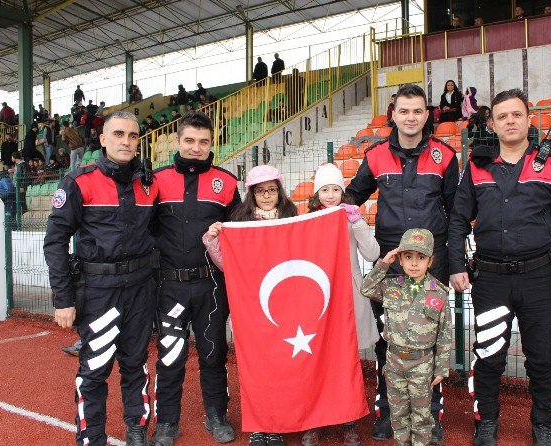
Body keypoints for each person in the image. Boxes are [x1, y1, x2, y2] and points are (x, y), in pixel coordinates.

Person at [448, 89, 551, 446]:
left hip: (540, 278)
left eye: (516, 115)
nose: (510, 121)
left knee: (542, 358)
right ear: (492, 124)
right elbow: (458, 221)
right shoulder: (476, 166)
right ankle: (487, 421)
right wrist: (456, 265)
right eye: (502, 116)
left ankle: (543, 425)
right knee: (489, 356)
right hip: (490, 279)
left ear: (528, 120)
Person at [346, 84, 458, 444]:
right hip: (391, 259)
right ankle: (388, 413)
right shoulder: (376, 155)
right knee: (388, 340)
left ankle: (431, 415)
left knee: (429, 338)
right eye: (403, 111)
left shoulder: (445, 155)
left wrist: (457, 260)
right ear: (393, 114)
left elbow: (457, 213)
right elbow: (351, 198)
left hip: (433, 258)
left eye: (417, 111)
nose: (410, 118)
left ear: (427, 115)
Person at [43, 111, 159, 446]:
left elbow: (155, 234)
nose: (126, 141)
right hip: (98, 292)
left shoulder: (148, 182)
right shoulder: (79, 181)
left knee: (136, 364)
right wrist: (62, 299)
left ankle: (137, 428)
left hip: (141, 289)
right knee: (95, 368)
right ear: (103, 139)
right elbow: (55, 241)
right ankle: (91, 436)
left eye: (133, 135)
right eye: (119, 134)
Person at [150, 112, 241, 446]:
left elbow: (241, 235)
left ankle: (216, 415)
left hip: (212, 287)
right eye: (189, 140)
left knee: (213, 355)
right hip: (169, 287)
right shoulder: (157, 180)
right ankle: (167, 422)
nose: (196, 148)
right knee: (170, 356)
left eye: (203, 141)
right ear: (178, 141)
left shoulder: (227, 182)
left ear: (211, 143)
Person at [203, 164, 297, 446]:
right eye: (260, 191)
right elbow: (226, 264)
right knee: (253, 368)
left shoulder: (294, 220)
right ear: (251, 194)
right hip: (250, 308)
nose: (266, 196)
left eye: (271, 190)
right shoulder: (239, 223)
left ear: (279, 192)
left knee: (281, 367)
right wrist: (213, 239)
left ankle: (276, 423)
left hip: (284, 306)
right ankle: (258, 425)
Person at [300, 164, 380, 446]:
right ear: (317, 193)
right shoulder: (307, 221)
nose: (331, 195)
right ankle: (315, 420)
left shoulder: (351, 217)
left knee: (348, 362)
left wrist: (357, 222)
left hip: (349, 294)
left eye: (336, 189)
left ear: (342, 191)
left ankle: (348, 421)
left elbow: (372, 253)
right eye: (325, 190)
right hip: (318, 298)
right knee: (316, 360)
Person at [361, 228, 452, 446]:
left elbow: (444, 333)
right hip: (394, 363)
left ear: (430, 261)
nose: (414, 263)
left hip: (422, 363)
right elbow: (366, 288)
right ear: (400, 259)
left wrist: (441, 367)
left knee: (421, 417)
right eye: (408, 257)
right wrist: (384, 262)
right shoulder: (390, 286)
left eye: (421, 257)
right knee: (398, 415)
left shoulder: (438, 293)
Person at [11, 151, 28, 216]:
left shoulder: (23, 164)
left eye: (12, 157)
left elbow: (25, 176)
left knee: (22, 200)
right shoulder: (17, 165)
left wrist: (22, 186)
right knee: (18, 200)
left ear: (15, 157)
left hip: (20, 186)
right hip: (16, 185)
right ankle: (20, 215)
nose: (11, 158)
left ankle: (24, 214)